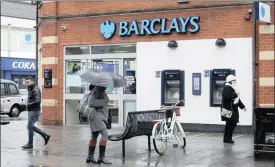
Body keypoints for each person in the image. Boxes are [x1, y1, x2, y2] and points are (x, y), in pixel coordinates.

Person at [22, 76, 51, 149]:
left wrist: (29, 104)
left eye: (28, 82)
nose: (27, 84)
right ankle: (45, 136)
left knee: (30, 127)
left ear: (32, 81)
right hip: (31, 110)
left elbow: (38, 101)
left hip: (34, 111)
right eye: (26, 82)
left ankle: (30, 144)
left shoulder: (35, 89)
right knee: (30, 126)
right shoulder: (31, 88)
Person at [86, 86, 112, 164]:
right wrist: (103, 101)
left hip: (99, 117)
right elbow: (90, 102)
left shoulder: (101, 91)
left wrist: (104, 99)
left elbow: (106, 101)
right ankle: (101, 157)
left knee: (94, 137)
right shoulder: (94, 92)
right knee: (105, 135)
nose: (105, 87)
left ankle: (90, 157)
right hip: (96, 117)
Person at [221, 75, 246, 144]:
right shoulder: (227, 87)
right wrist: (235, 94)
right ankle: (228, 138)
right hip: (229, 110)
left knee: (229, 124)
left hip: (230, 109)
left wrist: (243, 107)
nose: (235, 82)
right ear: (230, 81)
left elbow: (237, 100)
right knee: (232, 123)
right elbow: (227, 96)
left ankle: (227, 138)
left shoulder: (231, 88)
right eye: (234, 81)